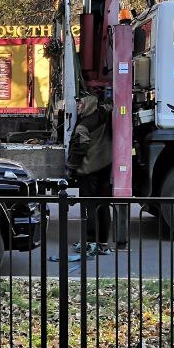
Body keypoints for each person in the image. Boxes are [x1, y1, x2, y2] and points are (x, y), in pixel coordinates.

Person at [64, 92, 113, 261]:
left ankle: (90, 241)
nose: (77, 107)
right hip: (106, 167)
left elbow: (80, 148)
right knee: (104, 205)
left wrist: (71, 167)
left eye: (81, 104)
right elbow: (109, 105)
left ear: (88, 105)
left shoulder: (83, 126)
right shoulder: (103, 115)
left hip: (89, 169)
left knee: (89, 206)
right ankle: (102, 242)